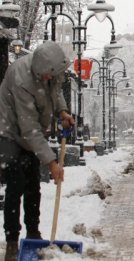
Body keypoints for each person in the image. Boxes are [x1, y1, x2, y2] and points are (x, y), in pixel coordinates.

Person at [0, 41, 74, 261]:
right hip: (9, 131)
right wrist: (52, 163)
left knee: (33, 183)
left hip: (30, 131)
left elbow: (56, 90)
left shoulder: (51, 70)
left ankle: (33, 233)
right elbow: (29, 129)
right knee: (15, 183)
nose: (49, 80)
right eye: (46, 77)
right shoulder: (21, 79)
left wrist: (62, 112)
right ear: (39, 71)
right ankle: (12, 240)